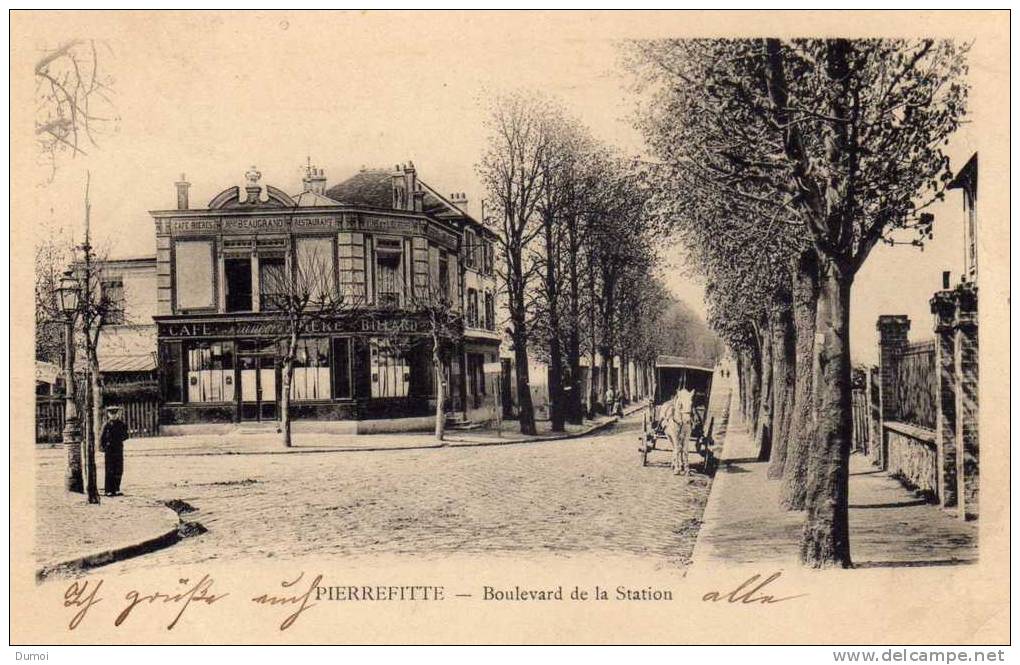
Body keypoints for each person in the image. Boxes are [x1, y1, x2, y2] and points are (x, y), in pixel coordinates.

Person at [667, 379, 696, 476]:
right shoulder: (677, 400)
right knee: (677, 446)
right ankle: (677, 465)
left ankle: (686, 466)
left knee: (685, 447)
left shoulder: (687, 397)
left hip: (686, 419)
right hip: (677, 420)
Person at [100, 406, 129, 496]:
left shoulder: (121, 424)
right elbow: (102, 437)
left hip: (118, 448)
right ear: (108, 414)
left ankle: (116, 489)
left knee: (118, 469)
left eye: (115, 414)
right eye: (111, 414)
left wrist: (119, 439)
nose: (113, 416)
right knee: (109, 469)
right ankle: (108, 490)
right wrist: (103, 447)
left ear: (118, 414)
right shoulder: (106, 425)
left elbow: (126, 436)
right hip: (109, 449)